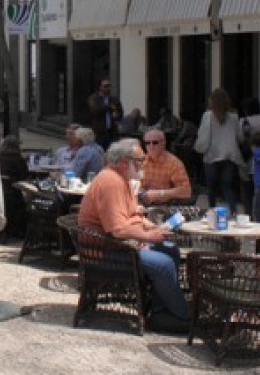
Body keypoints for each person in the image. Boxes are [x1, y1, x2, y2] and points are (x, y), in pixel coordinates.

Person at [78, 139, 190, 333]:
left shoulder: (125, 181)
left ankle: (160, 312)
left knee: (171, 251)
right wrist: (149, 238)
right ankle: (184, 316)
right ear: (124, 162)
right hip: (105, 251)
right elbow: (118, 230)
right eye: (140, 159)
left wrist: (153, 228)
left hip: (123, 244)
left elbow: (132, 215)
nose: (144, 163)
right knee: (162, 265)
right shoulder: (111, 182)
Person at [194, 88, 246, 214]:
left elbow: (202, 134)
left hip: (211, 156)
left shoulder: (207, 116)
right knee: (227, 187)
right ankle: (233, 212)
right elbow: (240, 137)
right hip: (229, 156)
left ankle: (212, 213)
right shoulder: (233, 117)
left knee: (211, 188)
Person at [139, 129, 192, 205]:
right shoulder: (141, 161)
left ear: (163, 143)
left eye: (155, 142)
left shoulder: (174, 163)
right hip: (143, 204)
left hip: (165, 205)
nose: (151, 146)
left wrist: (160, 193)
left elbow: (186, 191)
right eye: (147, 143)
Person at [238, 97, 260, 214]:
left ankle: (248, 214)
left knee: (247, 190)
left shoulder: (243, 121)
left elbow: (240, 139)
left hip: (248, 160)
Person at [86, 78, 123, 149]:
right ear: (100, 87)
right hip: (99, 132)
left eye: (109, 86)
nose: (108, 88)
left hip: (112, 131)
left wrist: (117, 115)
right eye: (105, 86)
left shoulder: (114, 99)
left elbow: (120, 112)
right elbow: (95, 110)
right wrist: (109, 107)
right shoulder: (94, 98)